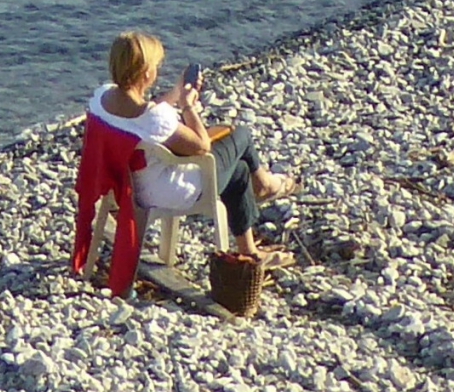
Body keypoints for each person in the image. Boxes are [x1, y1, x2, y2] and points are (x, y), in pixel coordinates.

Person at [88, 31, 300, 268]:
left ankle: (250, 250)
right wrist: (188, 106)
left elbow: (144, 115)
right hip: (165, 192)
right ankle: (264, 185)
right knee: (241, 135)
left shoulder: (101, 99)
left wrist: (176, 94)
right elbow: (201, 146)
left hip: (119, 185)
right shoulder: (156, 119)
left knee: (239, 170)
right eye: (156, 66)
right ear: (147, 73)